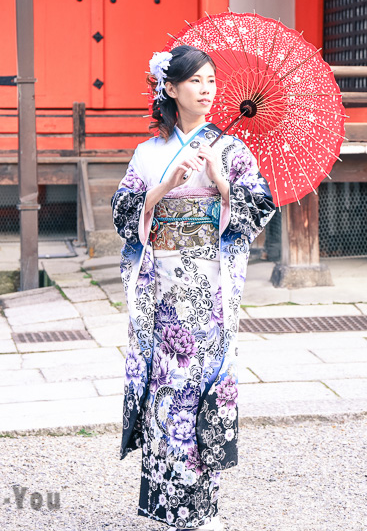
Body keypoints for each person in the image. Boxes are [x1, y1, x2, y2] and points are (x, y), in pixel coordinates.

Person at [113, 45, 276, 530]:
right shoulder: (148, 153)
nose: (207, 90)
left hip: (208, 289)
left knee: (198, 391)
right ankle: (167, 508)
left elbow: (260, 207)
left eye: (211, 81)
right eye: (195, 81)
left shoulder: (230, 149)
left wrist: (221, 181)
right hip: (161, 285)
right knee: (165, 388)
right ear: (169, 88)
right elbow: (124, 216)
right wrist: (163, 188)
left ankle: (199, 512)